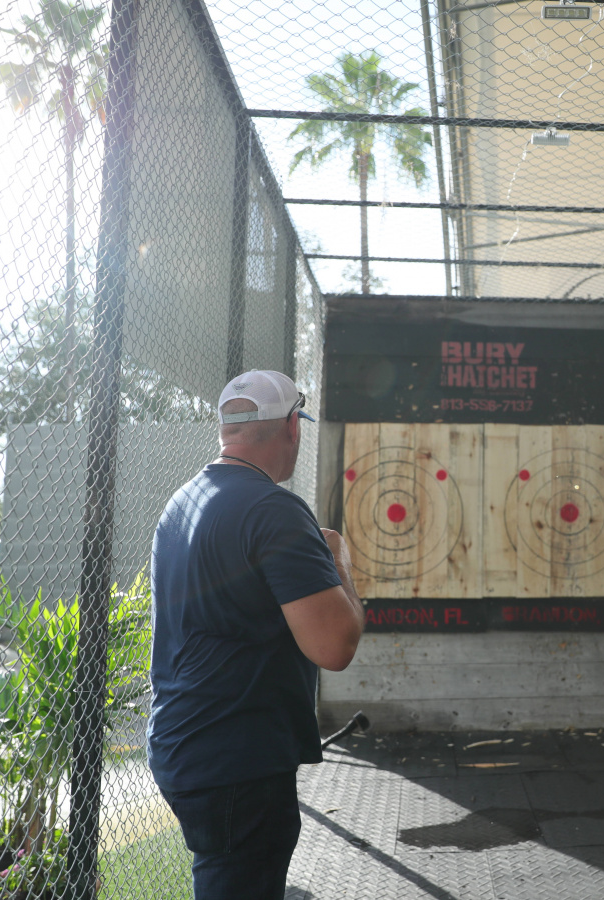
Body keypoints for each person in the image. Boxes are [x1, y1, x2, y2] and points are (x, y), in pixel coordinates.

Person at [147, 369, 365, 900]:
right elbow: (335, 645)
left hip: (186, 745)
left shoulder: (183, 501)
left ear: (227, 429)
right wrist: (339, 561)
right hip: (235, 762)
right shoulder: (273, 510)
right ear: (292, 426)